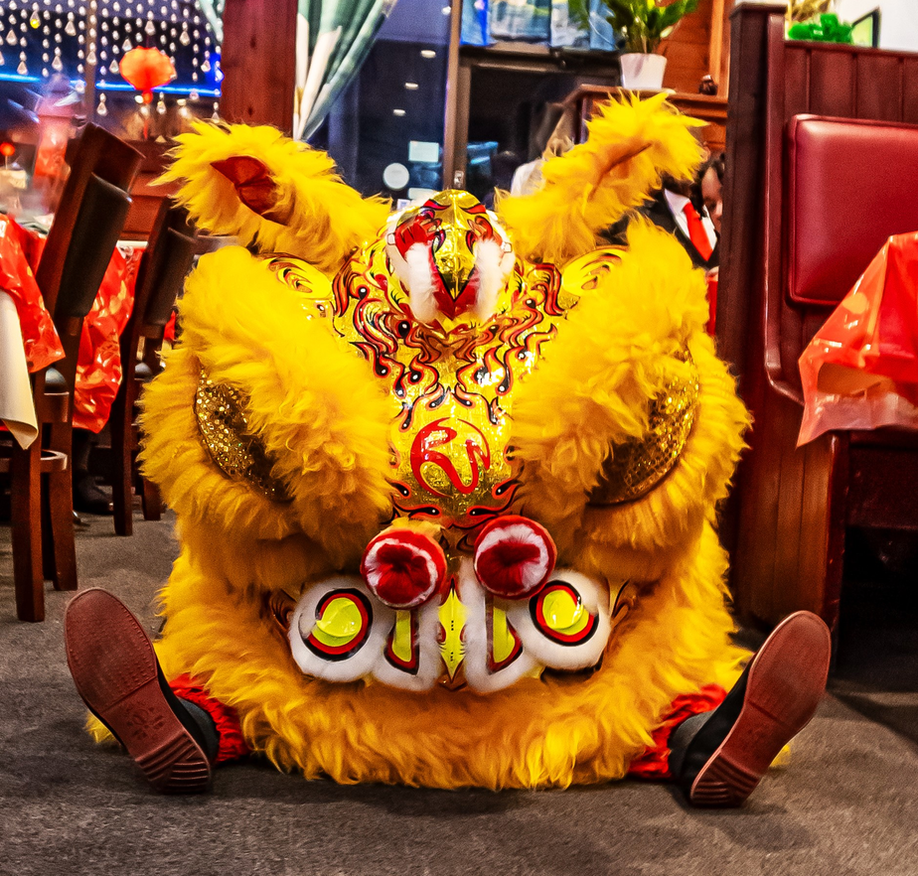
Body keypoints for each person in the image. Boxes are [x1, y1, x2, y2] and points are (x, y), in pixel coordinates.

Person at [63, 94, 832, 803]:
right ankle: (190, 718)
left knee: (633, 627)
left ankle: (702, 732)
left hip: (532, 569)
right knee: (259, 621)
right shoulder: (344, 301)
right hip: (369, 566)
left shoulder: (555, 300)